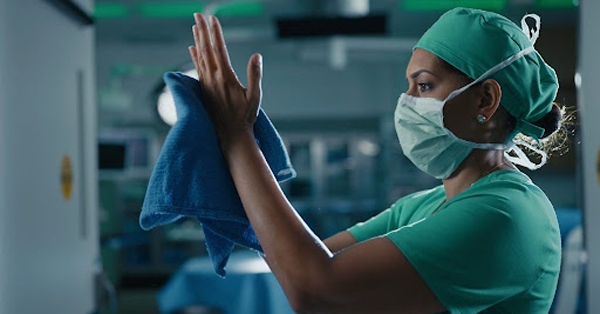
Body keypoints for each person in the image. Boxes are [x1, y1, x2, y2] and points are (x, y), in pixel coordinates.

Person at [188, 7, 566, 314]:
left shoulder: (505, 215)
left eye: (424, 85)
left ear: (485, 100)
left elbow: (315, 289)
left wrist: (239, 137)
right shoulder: (425, 207)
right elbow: (291, 262)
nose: (407, 103)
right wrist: (229, 145)